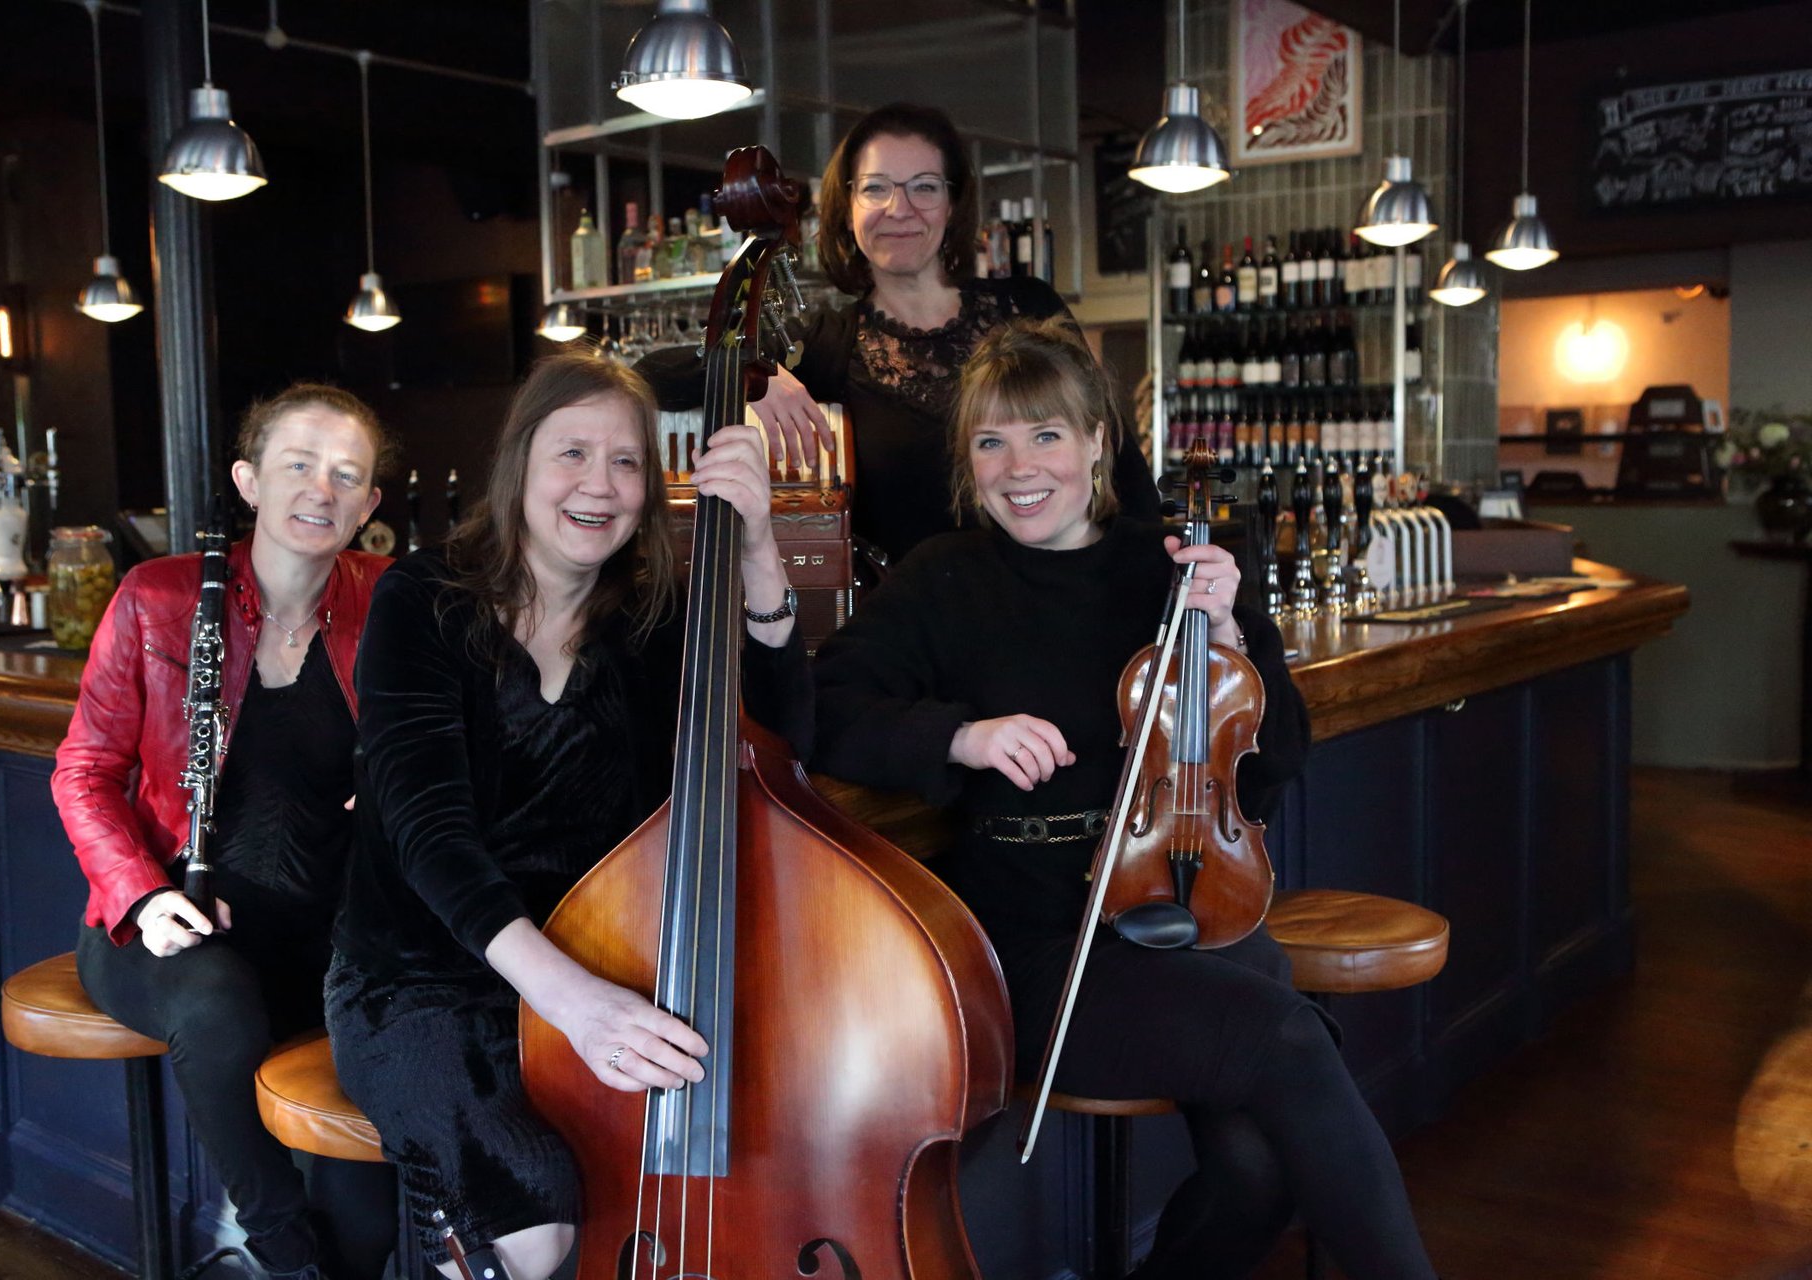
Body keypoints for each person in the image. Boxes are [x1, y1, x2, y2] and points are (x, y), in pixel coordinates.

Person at [809, 320, 1437, 1280]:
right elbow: (828, 712)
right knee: (1287, 1039)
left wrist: (1231, 634)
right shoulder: (942, 579)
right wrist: (961, 736)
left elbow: (1276, 762)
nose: (1021, 466)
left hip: (1191, 909)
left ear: (1099, 443)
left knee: (1259, 1172)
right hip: (1036, 942)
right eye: (992, 441)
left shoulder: (1175, 570)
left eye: (1047, 435)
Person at [325, 351, 810, 1279]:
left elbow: (777, 753)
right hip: (424, 979)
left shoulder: (658, 619)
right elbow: (429, 834)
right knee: (537, 1219)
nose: (599, 485)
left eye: (626, 461)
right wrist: (574, 1004)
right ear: (520, 465)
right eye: (572, 454)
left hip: (601, 962)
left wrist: (757, 554)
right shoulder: (421, 601)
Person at [52, 385, 400, 1280]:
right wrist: (146, 894)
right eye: (297, 464)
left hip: (327, 936)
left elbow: (445, 752)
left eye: (346, 474)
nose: (320, 489)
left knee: (364, 1201)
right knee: (216, 1009)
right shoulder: (157, 597)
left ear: (369, 506)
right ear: (249, 480)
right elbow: (84, 771)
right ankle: (283, 1250)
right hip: (172, 927)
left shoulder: (395, 603)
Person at [640, 101, 1161, 565]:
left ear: (953, 205)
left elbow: (1120, 464)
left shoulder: (1028, 305)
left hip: (1052, 601)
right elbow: (650, 375)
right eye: (877, 188)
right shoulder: (826, 344)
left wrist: (1155, 582)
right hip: (912, 636)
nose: (900, 209)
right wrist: (753, 374)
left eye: (925, 188)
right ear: (847, 209)